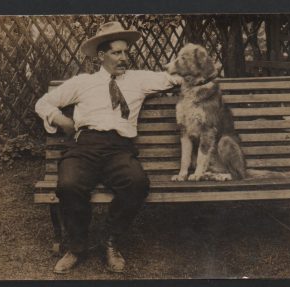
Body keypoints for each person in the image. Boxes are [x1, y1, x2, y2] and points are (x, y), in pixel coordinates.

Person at [35, 21, 180, 273]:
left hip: (119, 148)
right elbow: (43, 103)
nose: (124, 58)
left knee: (136, 183)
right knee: (69, 185)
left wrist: (192, 66)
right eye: (117, 52)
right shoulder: (82, 82)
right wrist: (62, 120)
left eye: (126, 52)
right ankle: (77, 245)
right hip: (85, 145)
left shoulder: (140, 79)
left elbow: (174, 78)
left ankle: (111, 241)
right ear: (101, 56)